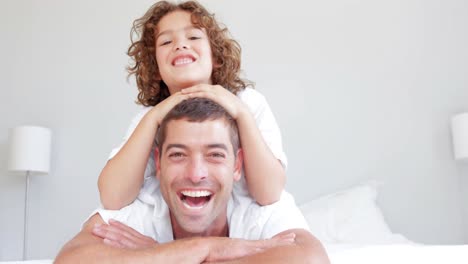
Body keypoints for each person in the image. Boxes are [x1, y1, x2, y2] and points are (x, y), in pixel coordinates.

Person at [55, 98, 329, 263]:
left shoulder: (260, 207)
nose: (196, 173)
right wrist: (210, 248)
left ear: (237, 166)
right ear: (158, 163)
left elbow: (312, 260)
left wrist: (164, 255)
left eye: (214, 155)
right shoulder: (142, 205)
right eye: (178, 155)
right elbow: (71, 261)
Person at [98, 0, 287, 213]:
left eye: (194, 37)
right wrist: (153, 118)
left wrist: (242, 114)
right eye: (166, 42)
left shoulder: (248, 103)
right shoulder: (150, 118)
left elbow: (270, 192)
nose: (180, 45)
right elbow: (112, 197)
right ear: (156, 68)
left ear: (215, 57)